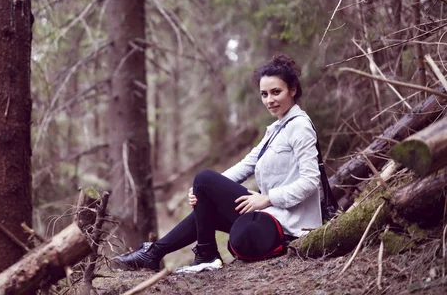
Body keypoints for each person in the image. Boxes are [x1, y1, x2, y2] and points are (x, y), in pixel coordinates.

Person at [113, 54, 323, 273]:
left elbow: (310, 181)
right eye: (264, 94)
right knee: (204, 188)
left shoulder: (300, 127)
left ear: (293, 90)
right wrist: (202, 191)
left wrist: (268, 199)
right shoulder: (276, 130)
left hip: (287, 227)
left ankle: (199, 255)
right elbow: (246, 165)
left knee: (204, 178)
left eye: (276, 92)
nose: (269, 100)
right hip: (270, 220)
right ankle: (159, 253)